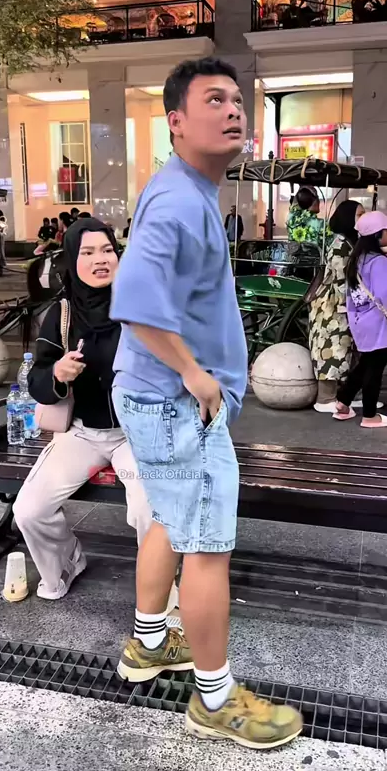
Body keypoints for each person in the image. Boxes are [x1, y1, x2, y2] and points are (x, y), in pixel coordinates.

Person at [110, 57, 302, 748]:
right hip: (175, 402)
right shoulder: (180, 200)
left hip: (155, 396)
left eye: (238, 102)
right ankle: (215, 701)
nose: (234, 111)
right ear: (176, 121)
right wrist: (195, 374)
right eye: (214, 100)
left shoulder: (187, 190)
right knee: (209, 547)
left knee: (172, 519)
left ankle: (149, 642)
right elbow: (135, 301)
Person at [13, 218, 178, 611]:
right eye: (87, 253)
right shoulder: (62, 314)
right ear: (73, 260)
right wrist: (57, 373)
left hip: (137, 432)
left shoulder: (142, 305)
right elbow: (37, 381)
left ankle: (159, 588)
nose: (99, 260)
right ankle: (66, 562)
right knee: (29, 509)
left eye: (106, 250)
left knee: (149, 507)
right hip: (83, 433)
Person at [309, 200, 365, 412]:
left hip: (344, 305)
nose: (363, 218)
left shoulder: (350, 242)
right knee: (333, 349)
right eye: (359, 215)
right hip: (332, 307)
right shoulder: (341, 246)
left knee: (349, 349)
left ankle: (347, 394)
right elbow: (342, 282)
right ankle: (325, 398)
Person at [334, 211, 387, 428]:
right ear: (377, 235)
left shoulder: (357, 259)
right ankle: (369, 415)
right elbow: (384, 294)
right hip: (378, 323)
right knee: (375, 369)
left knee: (366, 363)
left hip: (360, 319)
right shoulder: (379, 262)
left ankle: (343, 401)